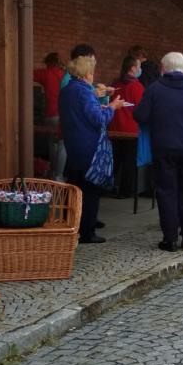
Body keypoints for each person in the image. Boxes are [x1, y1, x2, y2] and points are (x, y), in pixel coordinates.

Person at [133, 52, 183, 252]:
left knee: (166, 193)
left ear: (163, 68)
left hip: (164, 148)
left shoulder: (154, 89)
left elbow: (140, 115)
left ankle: (170, 239)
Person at [60, 47, 128, 244]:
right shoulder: (84, 92)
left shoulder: (67, 90)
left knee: (75, 188)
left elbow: (81, 114)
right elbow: (99, 120)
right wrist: (113, 107)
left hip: (73, 144)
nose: (93, 76)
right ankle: (87, 232)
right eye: (91, 72)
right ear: (85, 74)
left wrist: (100, 105)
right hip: (89, 146)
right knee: (90, 190)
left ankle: (70, 225)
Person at [108, 54, 145, 198]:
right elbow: (141, 109)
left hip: (115, 128)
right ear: (133, 68)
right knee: (129, 161)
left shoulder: (115, 84)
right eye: (139, 66)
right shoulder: (137, 86)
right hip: (131, 130)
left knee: (114, 160)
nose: (140, 69)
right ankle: (125, 190)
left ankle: (107, 185)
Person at [33, 51, 67, 179]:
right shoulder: (65, 75)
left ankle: (53, 173)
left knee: (52, 144)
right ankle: (59, 175)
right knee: (62, 145)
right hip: (64, 114)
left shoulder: (45, 73)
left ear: (48, 62)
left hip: (50, 114)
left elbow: (27, 74)